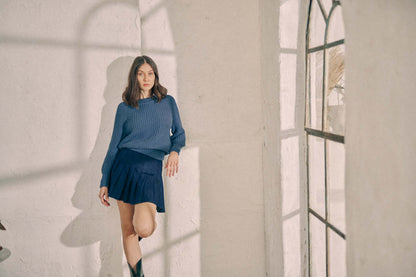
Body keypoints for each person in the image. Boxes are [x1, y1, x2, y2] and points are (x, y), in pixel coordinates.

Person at [98, 56, 185, 277]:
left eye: (150, 73)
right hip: (124, 167)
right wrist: (104, 181)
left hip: (150, 169)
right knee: (128, 231)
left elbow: (179, 134)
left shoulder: (167, 102)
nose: (146, 78)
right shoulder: (124, 108)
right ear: (134, 77)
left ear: (155, 76)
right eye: (140, 73)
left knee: (143, 227)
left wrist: (175, 151)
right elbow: (113, 146)